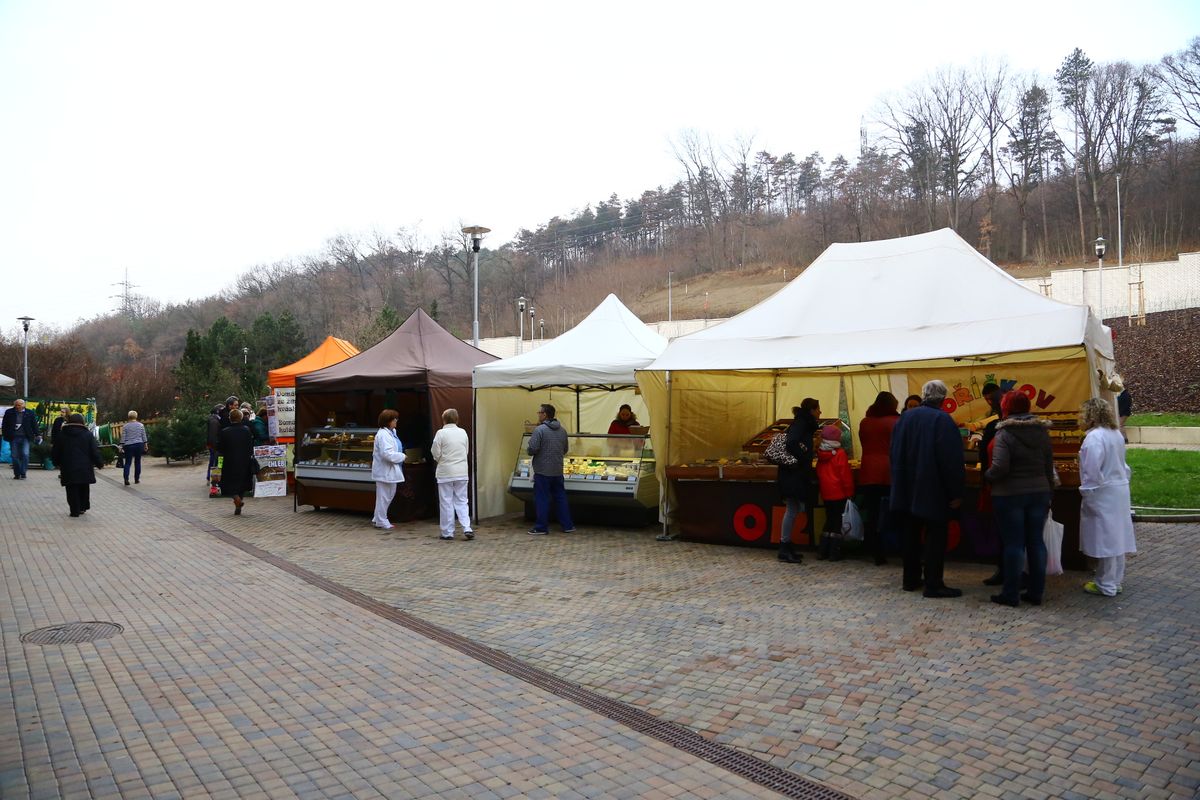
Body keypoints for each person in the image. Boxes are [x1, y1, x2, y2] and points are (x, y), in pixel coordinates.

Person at [889, 380, 965, 599]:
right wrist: (956, 492)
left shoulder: (904, 418)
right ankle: (933, 583)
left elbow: (893, 452)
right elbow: (951, 460)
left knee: (911, 535)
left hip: (906, 486)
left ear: (923, 395)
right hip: (933, 488)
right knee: (935, 537)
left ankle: (910, 579)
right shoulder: (943, 420)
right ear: (943, 398)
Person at [984, 392, 1056, 607]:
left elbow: (1000, 467)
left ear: (1006, 407)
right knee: (1036, 542)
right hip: (1039, 493)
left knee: (1014, 544)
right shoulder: (1042, 432)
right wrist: (1049, 491)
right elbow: (1048, 465)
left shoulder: (1005, 433)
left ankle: (1011, 593)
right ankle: (1036, 592)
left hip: (1009, 495)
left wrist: (986, 477)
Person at [1078, 397, 1137, 597]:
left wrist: (1088, 493)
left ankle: (1106, 583)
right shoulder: (1115, 434)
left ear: (1090, 416)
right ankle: (1114, 580)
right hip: (1118, 489)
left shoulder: (1094, 438)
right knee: (1117, 537)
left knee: (1105, 539)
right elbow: (1124, 465)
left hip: (1103, 491)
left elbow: (1092, 469)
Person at [857, 391, 900, 565]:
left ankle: (875, 551)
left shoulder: (865, 422)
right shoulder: (895, 422)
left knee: (873, 513)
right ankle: (893, 549)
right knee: (893, 512)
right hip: (889, 472)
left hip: (868, 471)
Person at [776, 399, 820, 564]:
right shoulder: (802, 424)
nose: (820, 413)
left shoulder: (802, 423)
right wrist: (804, 457)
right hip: (793, 473)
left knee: (793, 509)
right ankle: (784, 547)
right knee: (792, 509)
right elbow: (792, 442)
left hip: (792, 472)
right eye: (818, 409)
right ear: (811, 410)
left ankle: (786, 545)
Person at [527, 403, 575, 535]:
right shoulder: (562, 430)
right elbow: (565, 449)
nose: (538, 414)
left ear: (545, 415)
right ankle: (567, 525)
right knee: (560, 497)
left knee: (542, 498)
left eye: (539, 412)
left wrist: (530, 447)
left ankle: (541, 527)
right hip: (557, 470)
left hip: (542, 470)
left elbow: (532, 449)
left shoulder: (539, 430)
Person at [430, 408, 473, 541]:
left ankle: (448, 532)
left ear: (444, 419)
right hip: (461, 471)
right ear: (457, 419)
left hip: (445, 472)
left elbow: (435, 452)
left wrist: (441, 460)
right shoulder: (463, 432)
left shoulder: (441, 433)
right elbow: (465, 451)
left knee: (446, 502)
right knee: (462, 501)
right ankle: (467, 527)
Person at [51, 413, 103, 517]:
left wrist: (55, 462)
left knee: (71, 489)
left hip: (68, 466)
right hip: (84, 466)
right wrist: (99, 463)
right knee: (83, 486)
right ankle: (82, 507)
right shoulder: (87, 435)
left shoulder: (62, 435)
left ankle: (74, 510)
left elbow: (56, 450)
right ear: (82, 422)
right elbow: (94, 451)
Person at [816, 423, 854, 561]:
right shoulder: (840, 454)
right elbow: (845, 475)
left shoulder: (820, 454)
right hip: (839, 493)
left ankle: (822, 550)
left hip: (826, 492)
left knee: (829, 520)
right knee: (837, 522)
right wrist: (849, 491)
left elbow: (819, 472)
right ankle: (834, 552)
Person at [370, 409, 405, 530]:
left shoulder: (391, 432)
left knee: (387, 495)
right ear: (388, 421)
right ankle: (381, 520)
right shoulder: (383, 435)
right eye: (394, 419)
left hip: (390, 470)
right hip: (384, 470)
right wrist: (402, 456)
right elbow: (387, 454)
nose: (396, 421)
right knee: (385, 496)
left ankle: (377, 518)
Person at [217, 408, 254, 515]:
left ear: (230, 418)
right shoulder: (246, 430)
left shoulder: (225, 432)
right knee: (241, 483)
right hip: (244, 461)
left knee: (228, 483)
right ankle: (238, 501)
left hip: (230, 462)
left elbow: (220, 448)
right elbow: (250, 446)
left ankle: (237, 500)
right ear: (241, 418)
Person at [2, 398, 41, 479]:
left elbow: (34, 425)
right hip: (13, 437)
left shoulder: (30, 413)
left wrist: (38, 434)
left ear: (24, 405)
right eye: (16, 405)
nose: (17, 407)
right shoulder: (9, 412)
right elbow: (4, 424)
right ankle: (17, 473)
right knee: (14, 456)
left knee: (25, 454)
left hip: (25, 437)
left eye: (19, 405)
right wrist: (5, 434)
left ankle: (23, 473)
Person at [120, 410, 149, 486]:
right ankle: (136, 479)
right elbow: (143, 435)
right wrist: (145, 444)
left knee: (128, 463)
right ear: (136, 416)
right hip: (139, 444)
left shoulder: (125, 426)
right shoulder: (141, 425)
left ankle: (126, 479)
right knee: (137, 462)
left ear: (128, 416)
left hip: (128, 445)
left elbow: (123, 437)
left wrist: (121, 446)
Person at [206, 404, 223, 487]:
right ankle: (212, 479)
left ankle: (211, 478)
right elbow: (213, 435)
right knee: (215, 462)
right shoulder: (214, 421)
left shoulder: (214, 419)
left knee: (214, 462)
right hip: (215, 446)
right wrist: (215, 446)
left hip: (214, 445)